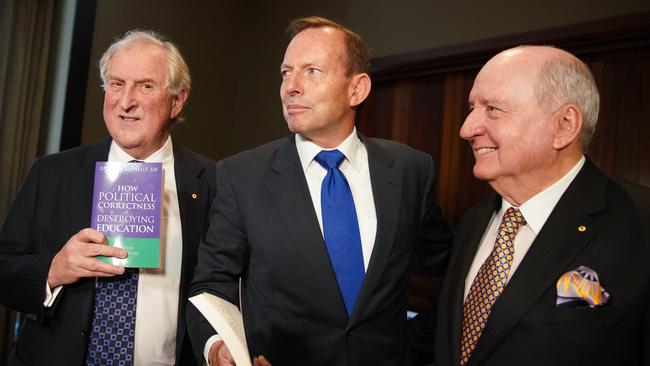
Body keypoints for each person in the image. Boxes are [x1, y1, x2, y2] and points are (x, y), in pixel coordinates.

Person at [187, 16, 451, 366]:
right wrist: (220, 349)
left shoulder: (410, 169)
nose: (290, 87)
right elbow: (211, 283)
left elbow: (454, 270)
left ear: (357, 89)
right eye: (285, 72)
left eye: (312, 71)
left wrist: (421, 344)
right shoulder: (241, 175)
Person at [0, 30, 216, 365]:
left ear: (177, 100)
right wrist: (53, 270)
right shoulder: (51, 173)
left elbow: (228, 289)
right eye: (116, 84)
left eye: (145, 86)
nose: (125, 101)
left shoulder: (215, 184)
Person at [434, 45, 650, 366]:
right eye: (472, 108)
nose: (466, 129)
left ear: (564, 125)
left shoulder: (639, 222)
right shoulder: (474, 219)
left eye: (493, 109)